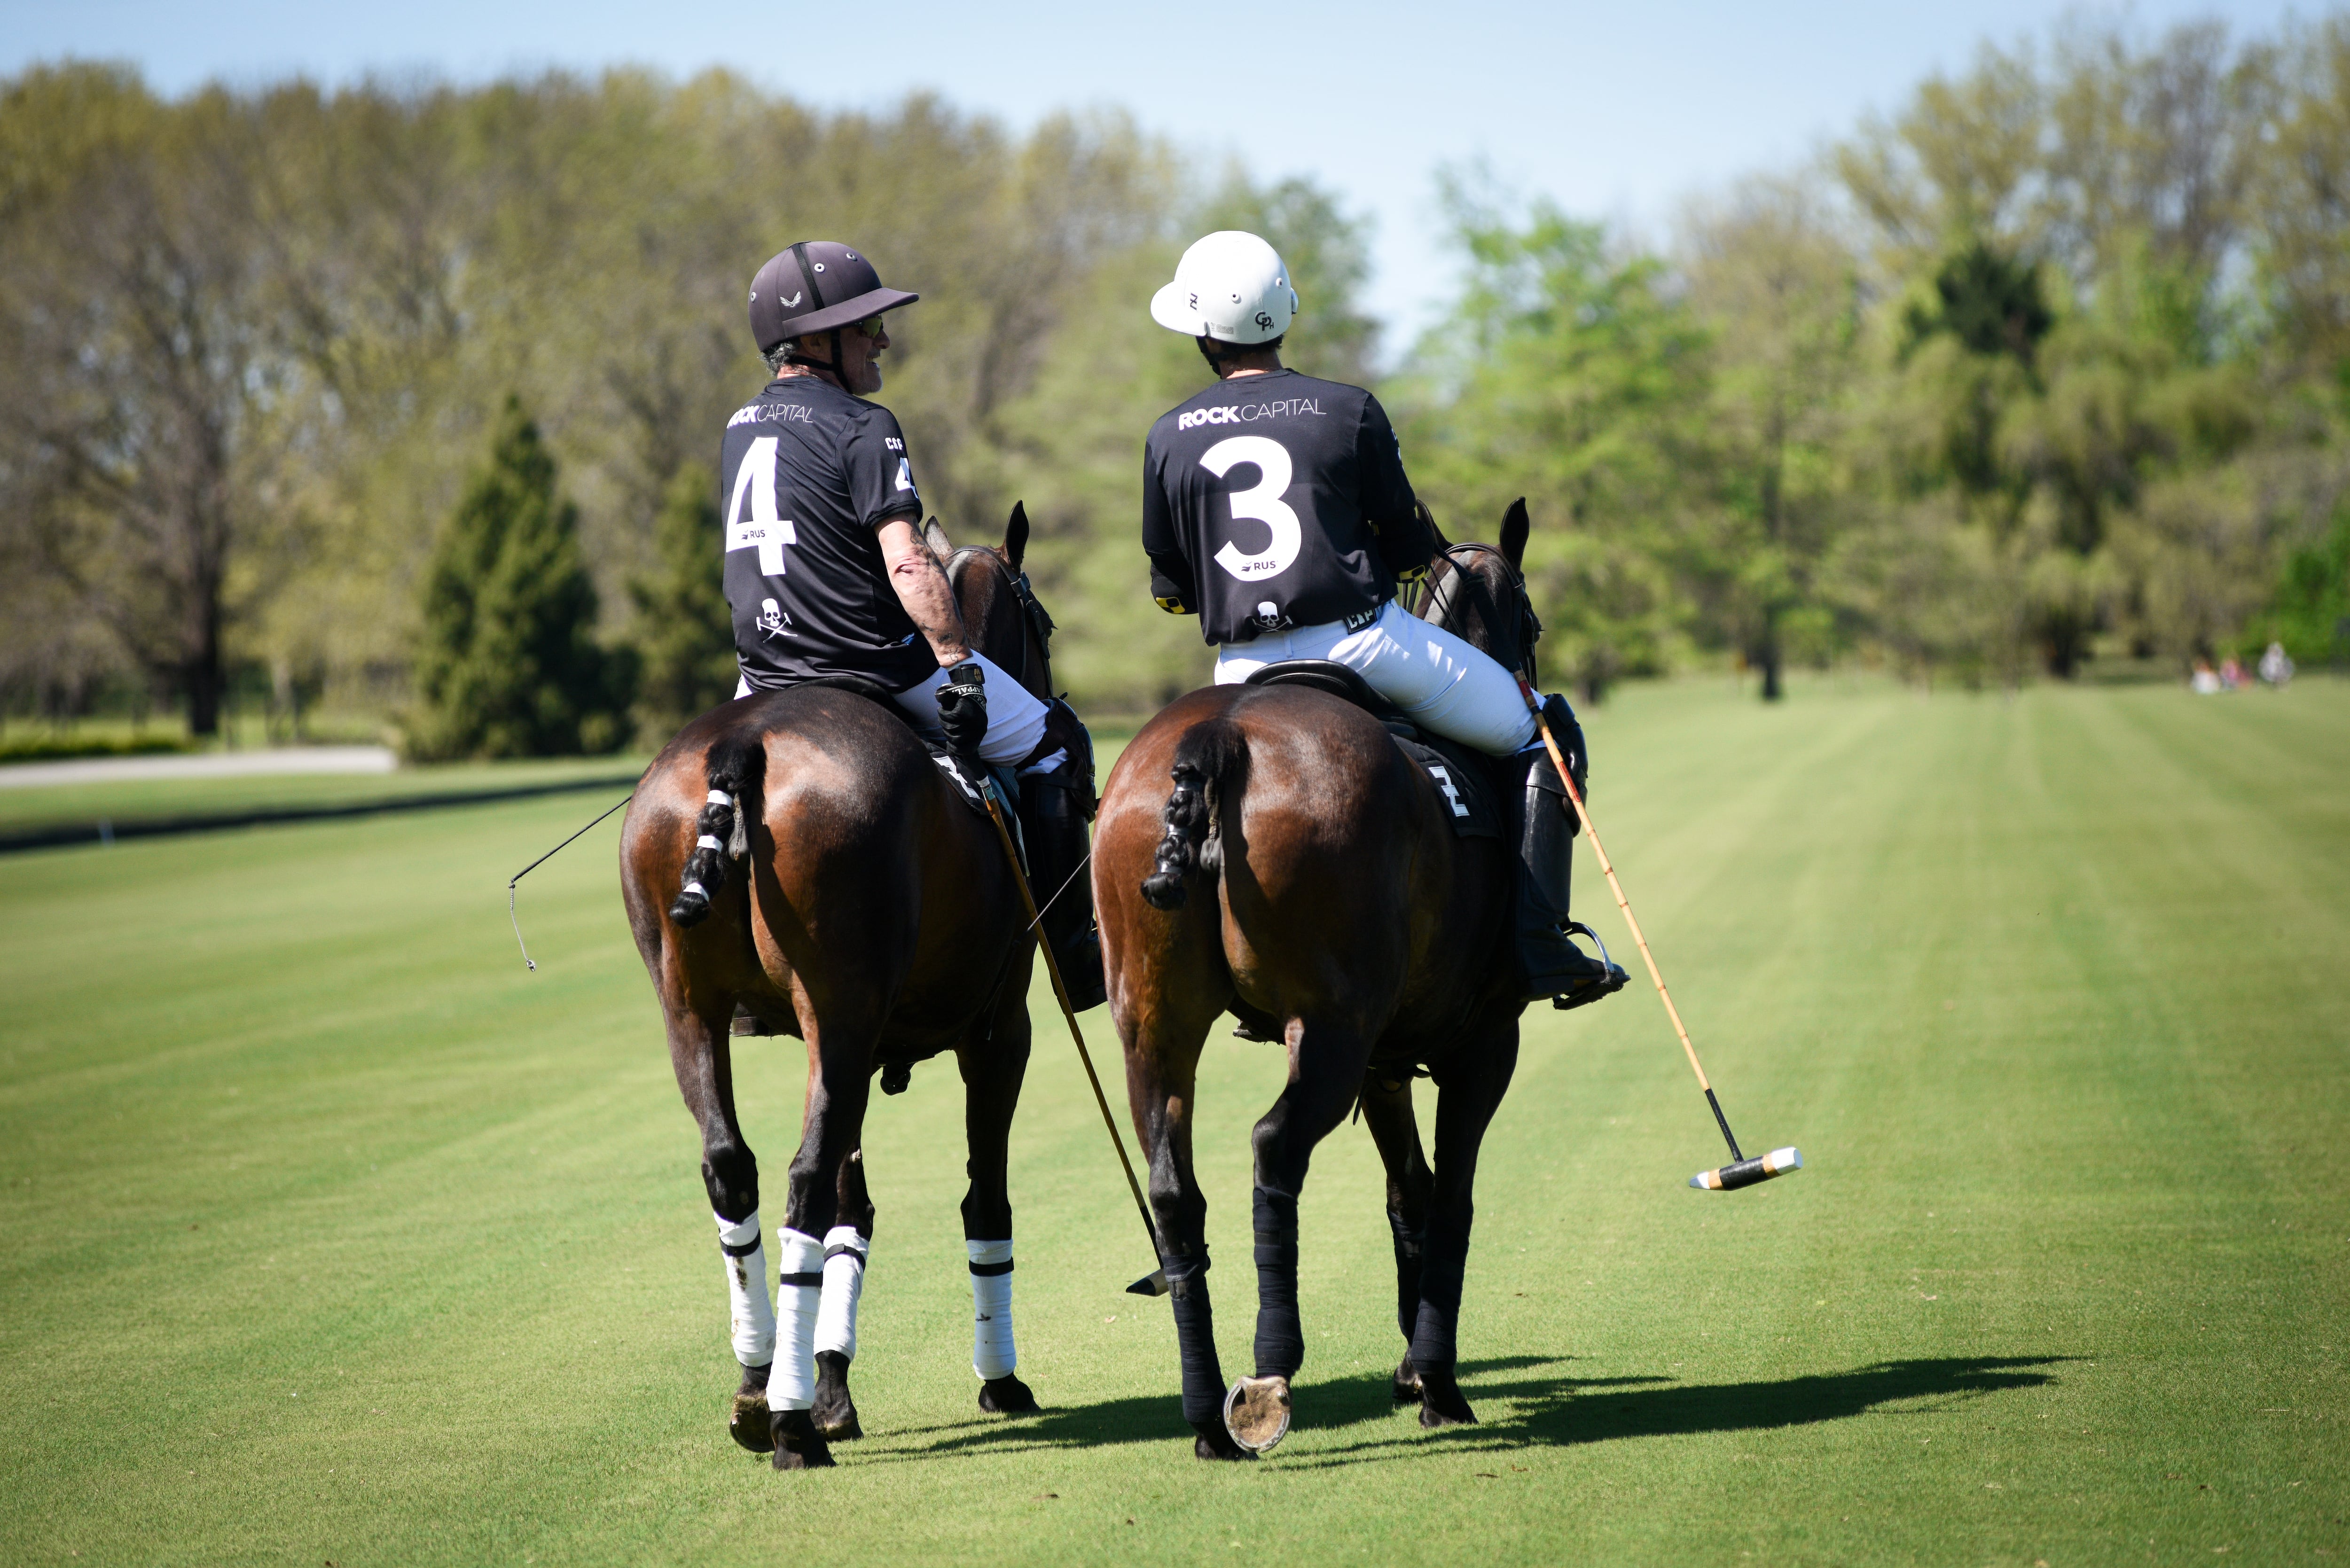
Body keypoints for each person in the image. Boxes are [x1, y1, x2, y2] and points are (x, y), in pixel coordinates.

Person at [1136, 230, 1618, 1006]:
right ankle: (1540, 944)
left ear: (1204, 334)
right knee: (1545, 730)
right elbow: (1406, 552)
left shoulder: (1167, 434)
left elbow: (1173, 590)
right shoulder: (1348, 409)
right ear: (1283, 317)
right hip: (1361, 644)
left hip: (1239, 671)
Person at [721, 239, 1103, 1005]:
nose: (882, 341)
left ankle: (743, 979)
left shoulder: (739, 426)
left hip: (759, 677)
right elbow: (907, 562)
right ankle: (1075, 956)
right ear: (818, 341)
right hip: (872, 668)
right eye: (865, 327)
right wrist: (958, 662)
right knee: (1059, 744)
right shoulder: (866, 425)